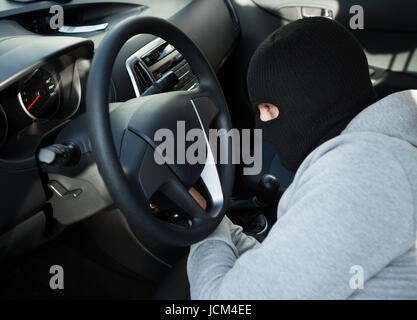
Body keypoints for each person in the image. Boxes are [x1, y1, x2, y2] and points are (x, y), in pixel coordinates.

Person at [186, 17, 417, 299]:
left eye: (267, 107)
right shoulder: (386, 149)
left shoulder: (358, 177)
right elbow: (289, 273)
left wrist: (201, 230)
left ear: (311, 97)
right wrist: (217, 221)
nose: (261, 125)